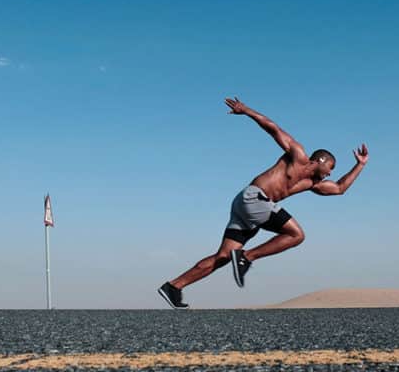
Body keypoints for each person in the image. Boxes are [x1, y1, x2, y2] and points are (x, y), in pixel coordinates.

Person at [157, 97, 369, 309]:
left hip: (248, 208)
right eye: (331, 167)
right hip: (254, 198)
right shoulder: (297, 154)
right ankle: (246, 258)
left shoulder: (312, 183)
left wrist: (359, 165)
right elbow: (273, 128)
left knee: (223, 256)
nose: (331, 173)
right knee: (296, 235)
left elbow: (340, 188)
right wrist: (246, 110)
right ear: (321, 161)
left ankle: (174, 286)